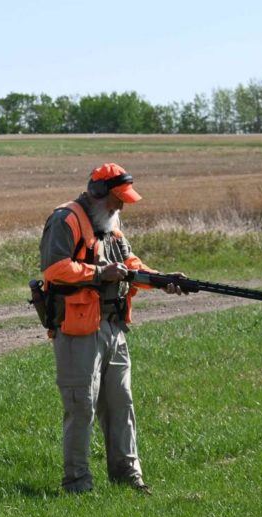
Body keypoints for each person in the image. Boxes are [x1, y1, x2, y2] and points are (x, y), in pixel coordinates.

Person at [39, 163, 186, 494]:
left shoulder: (112, 227)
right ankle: (77, 483)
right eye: (117, 199)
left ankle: (128, 476)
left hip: (114, 327)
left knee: (122, 403)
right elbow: (54, 269)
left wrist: (164, 280)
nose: (120, 206)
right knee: (81, 406)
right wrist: (98, 274)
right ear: (98, 193)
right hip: (77, 330)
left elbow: (131, 267)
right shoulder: (65, 220)